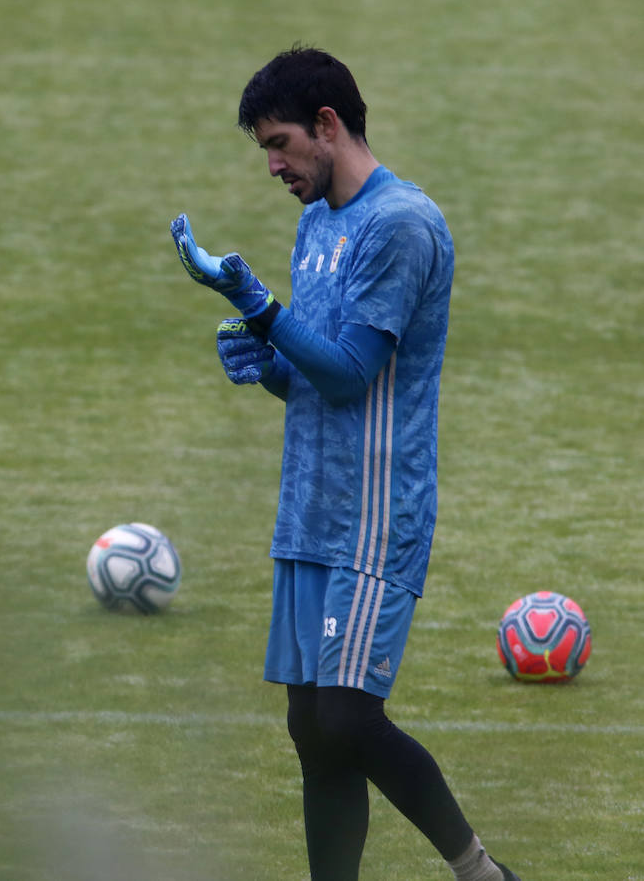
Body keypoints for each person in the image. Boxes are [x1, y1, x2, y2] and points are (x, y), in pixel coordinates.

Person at [169, 46, 521, 881]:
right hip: (309, 508)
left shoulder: (400, 223)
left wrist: (259, 308)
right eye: (265, 149)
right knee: (310, 730)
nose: (273, 165)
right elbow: (314, 378)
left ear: (329, 125)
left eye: (281, 143)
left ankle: (479, 871)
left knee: (347, 718)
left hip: (372, 513)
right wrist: (266, 362)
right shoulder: (317, 220)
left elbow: (352, 371)